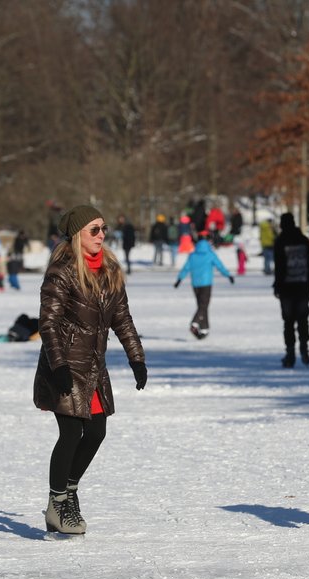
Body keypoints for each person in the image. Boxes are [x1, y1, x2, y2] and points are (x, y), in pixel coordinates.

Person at [33, 205, 146, 536]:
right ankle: (58, 504)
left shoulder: (109, 269)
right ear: (77, 234)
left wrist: (136, 358)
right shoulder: (63, 271)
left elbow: (122, 318)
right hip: (65, 366)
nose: (101, 235)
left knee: (96, 432)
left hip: (94, 367)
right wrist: (59, 365)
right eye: (93, 230)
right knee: (70, 433)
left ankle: (68, 492)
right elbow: (48, 323)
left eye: (103, 229)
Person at [174, 231, 234, 339]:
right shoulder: (210, 254)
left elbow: (186, 268)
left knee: (201, 306)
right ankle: (195, 323)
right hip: (206, 283)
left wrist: (179, 279)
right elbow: (219, 266)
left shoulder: (193, 254)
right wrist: (228, 275)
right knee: (203, 306)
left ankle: (204, 329)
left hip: (195, 284)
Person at [273, 213, 309, 367]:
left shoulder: (280, 241)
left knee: (288, 321)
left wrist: (277, 286)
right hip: (303, 286)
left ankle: (290, 353)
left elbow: (279, 267)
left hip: (287, 288)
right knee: (303, 319)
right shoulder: (304, 240)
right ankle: (304, 347)